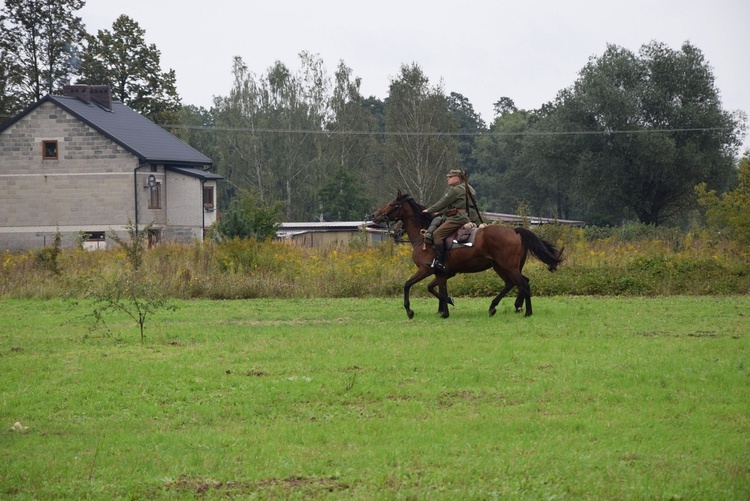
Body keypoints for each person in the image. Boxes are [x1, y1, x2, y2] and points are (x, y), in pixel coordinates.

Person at [422, 169, 476, 270]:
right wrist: (440, 212)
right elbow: (456, 204)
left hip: (457, 218)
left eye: (450, 177)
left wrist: (429, 210)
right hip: (466, 216)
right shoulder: (468, 188)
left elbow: (443, 202)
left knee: (437, 234)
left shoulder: (455, 190)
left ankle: (439, 262)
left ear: (457, 178)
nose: (448, 179)